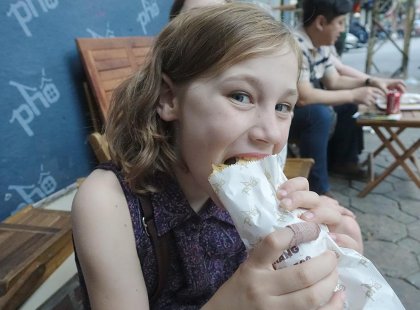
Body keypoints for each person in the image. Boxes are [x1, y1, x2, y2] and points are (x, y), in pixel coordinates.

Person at [72, 4, 363, 309]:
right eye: (241, 96)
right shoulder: (108, 203)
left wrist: (333, 260)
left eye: (283, 106)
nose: (271, 135)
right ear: (169, 98)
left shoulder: (261, 191)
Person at [290, 0, 391, 195]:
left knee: (347, 105)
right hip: (283, 114)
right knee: (319, 115)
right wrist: (354, 93)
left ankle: (343, 162)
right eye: (340, 23)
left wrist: (369, 82)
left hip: (300, 107)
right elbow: (304, 97)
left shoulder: (320, 44)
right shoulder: (296, 45)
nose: (343, 30)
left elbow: (334, 81)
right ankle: (317, 187)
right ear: (321, 22)